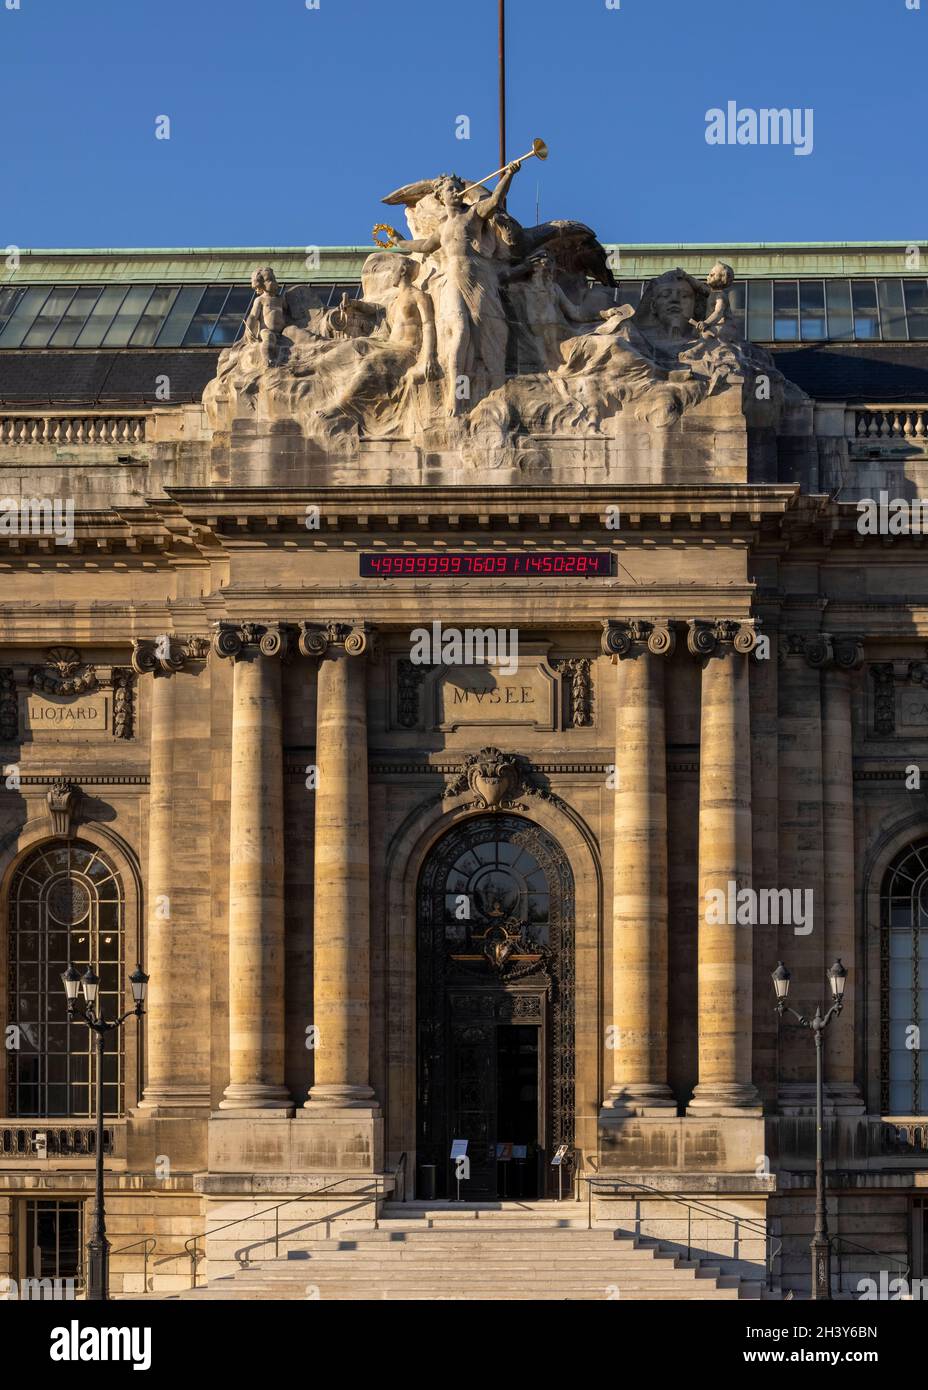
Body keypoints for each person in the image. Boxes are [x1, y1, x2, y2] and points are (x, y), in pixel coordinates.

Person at [390, 162, 523, 415]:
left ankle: (494, 389)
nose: (454, 192)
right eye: (449, 189)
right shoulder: (443, 228)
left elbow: (495, 200)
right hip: (452, 280)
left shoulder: (471, 215)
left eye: (456, 188)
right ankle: (455, 394)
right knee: (458, 332)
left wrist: (508, 175)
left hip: (477, 278)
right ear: (441, 197)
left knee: (490, 332)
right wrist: (399, 241)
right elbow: (425, 246)